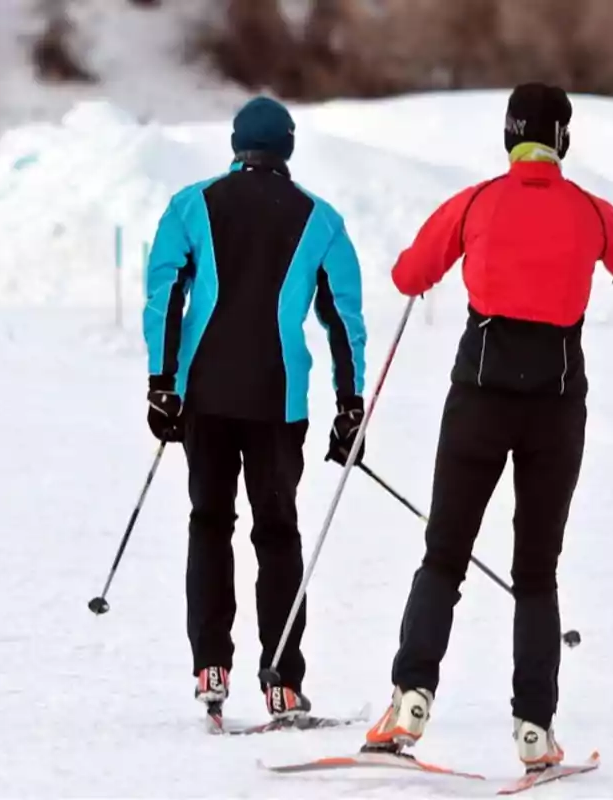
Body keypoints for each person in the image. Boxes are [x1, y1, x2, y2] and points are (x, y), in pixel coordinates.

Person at [363, 83, 613, 770]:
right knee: (536, 570)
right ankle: (534, 727)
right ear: (561, 139)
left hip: (478, 400)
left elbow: (409, 275)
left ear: (508, 136)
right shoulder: (591, 212)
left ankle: (411, 697)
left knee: (444, 552)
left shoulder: (475, 202)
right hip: (556, 410)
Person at [142, 96, 368, 721]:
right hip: (278, 400)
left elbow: (165, 295)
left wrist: (162, 383)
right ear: (287, 148)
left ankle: (210, 666)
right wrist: (351, 406)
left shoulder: (191, 205)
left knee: (209, 523)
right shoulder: (320, 220)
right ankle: (282, 681)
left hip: (205, 397)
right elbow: (343, 321)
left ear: (238, 145)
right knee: (277, 534)